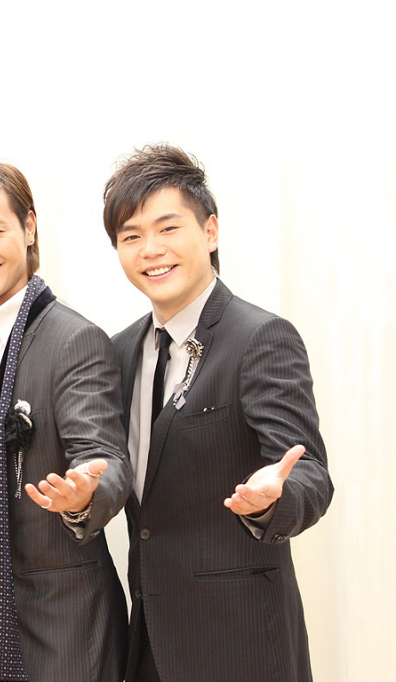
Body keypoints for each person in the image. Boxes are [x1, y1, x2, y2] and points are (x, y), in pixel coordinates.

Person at [103, 144, 334, 682]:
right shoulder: (118, 352)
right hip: (149, 643)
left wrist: (272, 500)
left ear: (210, 231)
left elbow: (309, 473)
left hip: (242, 643)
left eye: (168, 228)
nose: (151, 249)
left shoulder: (260, 337)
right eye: (131, 236)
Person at [0, 144, 130, 681]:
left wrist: (86, 493)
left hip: (70, 626)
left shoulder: (73, 340)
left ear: (29, 227)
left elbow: (104, 457)